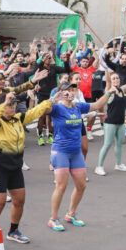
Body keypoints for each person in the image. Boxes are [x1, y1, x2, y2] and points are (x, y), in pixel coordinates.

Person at [0, 89, 54, 247]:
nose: (12, 106)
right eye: (9, 104)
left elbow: (35, 111)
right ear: (1, 106)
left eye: (14, 103)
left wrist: (52, 99)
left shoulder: (18, 119)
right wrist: (4, 104)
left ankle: (13, 231)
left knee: (19, 201)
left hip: (15, 167)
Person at [0, 62, 46, 208]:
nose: (2, 82)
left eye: (3, 81)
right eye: (0, 80)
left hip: (3, 127)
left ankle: (0, 191)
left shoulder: (5, 90)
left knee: (2, 162)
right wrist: (5, 72)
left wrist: (33, 81)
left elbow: (18, 89)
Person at [47, 83, 110, 231]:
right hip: (60, 151)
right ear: (61, 93)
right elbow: (43, 110)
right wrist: (53, 98)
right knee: (61, 186)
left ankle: (71, 214)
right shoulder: (56, 108)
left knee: (81, 186)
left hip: (76, 152)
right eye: (66, 90)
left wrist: (109, 92)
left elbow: (97, 104)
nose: (70, 93)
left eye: (72, 90)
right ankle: (54, 218)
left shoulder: (77, 107)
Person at [95, 65, 126, 175]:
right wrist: (107, 71)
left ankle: (119, 164)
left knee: (119, 144)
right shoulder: (109, 91)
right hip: (110, 123)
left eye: (117, 78)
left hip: (121, 123)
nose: (116, 80)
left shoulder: (121, 90)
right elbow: (107, 82)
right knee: (107, 145)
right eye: (114, 79)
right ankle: (99, 166)